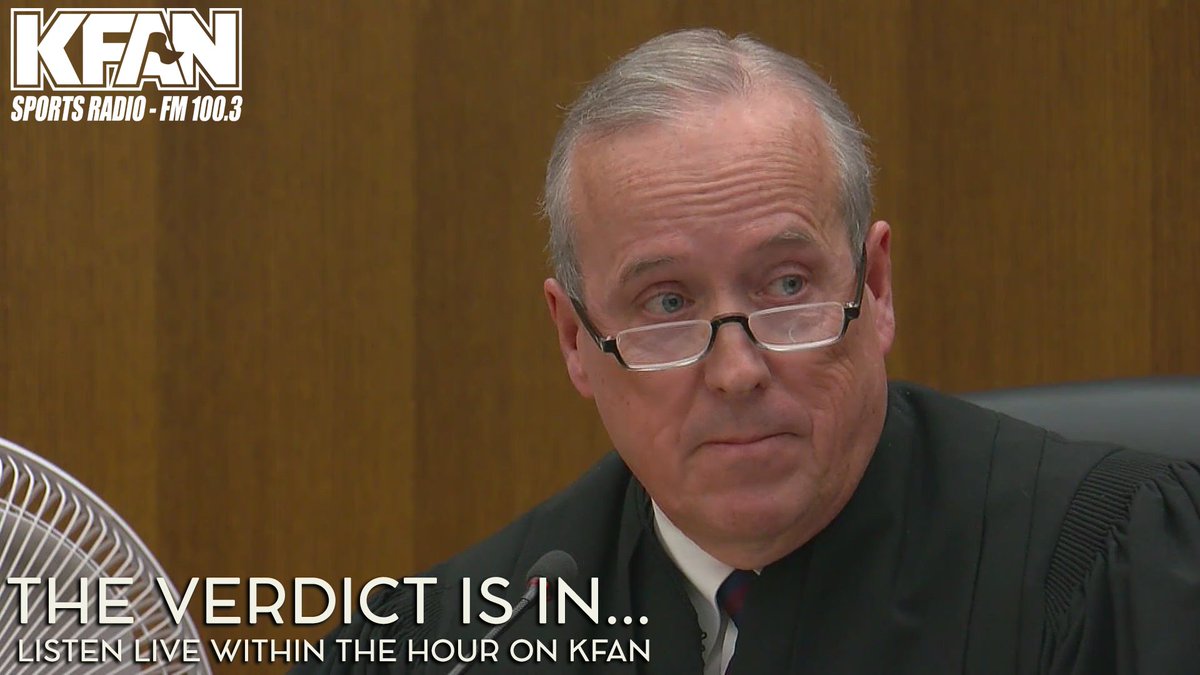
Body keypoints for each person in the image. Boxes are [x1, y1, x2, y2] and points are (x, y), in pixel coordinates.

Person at [297, 29, 1200, 674]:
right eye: (667, 303)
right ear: (574, 338)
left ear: (876, 287)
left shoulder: (1112, 573)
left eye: (787, 286)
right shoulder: (445, 644)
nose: (736, 371)